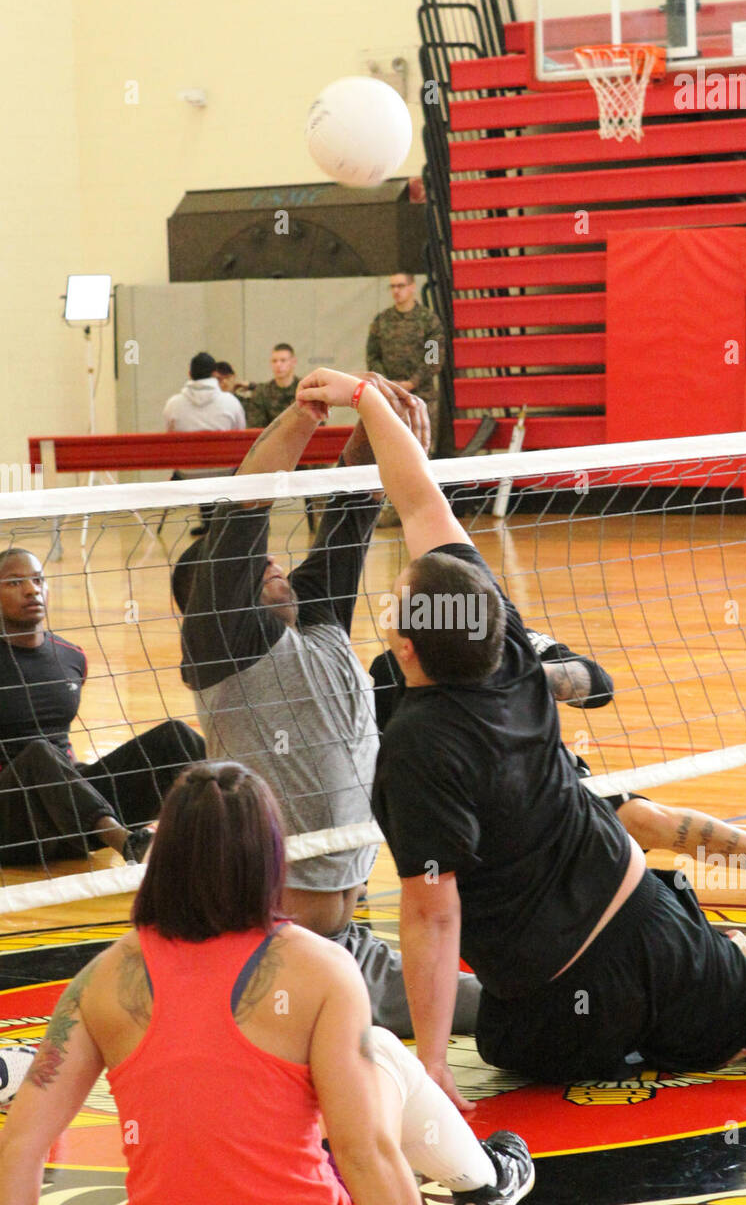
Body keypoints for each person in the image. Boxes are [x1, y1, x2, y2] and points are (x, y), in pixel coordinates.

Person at [296, 367, 746, 1110]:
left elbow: (432, 915)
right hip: (646, 917)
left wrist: (432, 1062)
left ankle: (635, 1040)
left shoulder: (414, 744)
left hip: (563, 992)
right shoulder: (503, 648)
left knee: (501, 1040)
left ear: (407, 651)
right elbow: (421, 500)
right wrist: (367, 396)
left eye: (396, 603)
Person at [0, 761, 534, 1205]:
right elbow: (363, 1152)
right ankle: (486, 1183)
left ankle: (485, 1178)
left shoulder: (98, 981)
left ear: (163, 856)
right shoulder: (322, 969)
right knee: (386, 1055)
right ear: (271, 856)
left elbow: (22, 1143)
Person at [171, 378, 480, 1038]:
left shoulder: (316, 616)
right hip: (272, 958)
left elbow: (353, 504)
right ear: (212, 595)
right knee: (360, 1091)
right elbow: (243, 513)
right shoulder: (221, 645)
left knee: (500, 1007)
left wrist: (380, 420)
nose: (273, 561)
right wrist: (304, 413)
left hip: (350, 943)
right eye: (257, 564)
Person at [369, 637, 746, 901]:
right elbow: (386, 765)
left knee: (649, 821)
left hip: (554, 786)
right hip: (487, 820)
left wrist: (530, 679)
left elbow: (598, 684)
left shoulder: (509, 644)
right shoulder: (391, 673)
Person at [0, 548, 204, 867]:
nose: (31, 589)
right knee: (40, 753)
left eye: (38, 580)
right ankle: (127, 842)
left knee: (176, 738)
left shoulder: (70, 656)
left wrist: (76, 787)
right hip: (12, 826)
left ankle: (243, 821)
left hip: (70, 817)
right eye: (14, 582)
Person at [164, 351, 246, 536]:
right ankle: (220, 525)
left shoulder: (173, 404)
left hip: (187, 473)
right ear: (214, 374)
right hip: (224, 472)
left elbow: (170, 437)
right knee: (217, 469)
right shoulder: (231, 402)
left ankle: (209, 524)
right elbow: (240, 435)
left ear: (189, 373)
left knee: (201, 470)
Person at [367, 273, 444, 456]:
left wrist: (412, 383)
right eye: (392, 287)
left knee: (423, 451)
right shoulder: (382, 320)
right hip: (390, 396)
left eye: (400, 286)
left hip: (421, 396)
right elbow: (373, 357)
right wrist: (388, 383)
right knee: (390, 451)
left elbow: (433, 358)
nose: (396, 291)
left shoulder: (428, 320)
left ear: (412, 287)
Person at [245, 344, 300, 429]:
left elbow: (317, 425)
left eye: (283, 360)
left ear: (294, 362)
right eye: (274, 361)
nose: (278, 365)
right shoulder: (262, 393)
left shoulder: (305, 390)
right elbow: (255, 428)